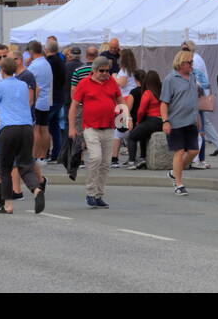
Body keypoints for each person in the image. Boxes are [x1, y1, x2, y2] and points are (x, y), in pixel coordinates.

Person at [0, 53, 46, 215]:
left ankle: (8, 204)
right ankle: (36, 189)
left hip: (9, 128)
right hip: (26, 127)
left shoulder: (0, 86)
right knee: (26, 164)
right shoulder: (22, 85)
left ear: (2, 70)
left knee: (5, 166)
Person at [69, 53, 123, 208]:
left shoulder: (111, 82)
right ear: (94, 70)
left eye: (107, 70)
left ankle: (99, 194)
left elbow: (120, 100)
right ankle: (90, 193)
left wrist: (125, 119)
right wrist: (72, 127)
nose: (105, 74)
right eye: (101, 71)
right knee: (96, 158)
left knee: (106, 163)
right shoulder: (84, 83)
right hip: (90, 127)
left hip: (108, 127)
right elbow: (74, 106)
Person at [161, 51, 201, 196]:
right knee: (179, 151)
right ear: (180, 63)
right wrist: (165, 121)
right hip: (175, 122)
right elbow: (164, 102)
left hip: (190, 120)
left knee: (194, 151)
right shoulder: (170, 79)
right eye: (189, 63)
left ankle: (174, 172)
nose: (191, 65)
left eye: (192, 63)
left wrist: (198, 118)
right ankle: (179, 184)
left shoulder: (192, 77)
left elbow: (194, 100)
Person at [125, 69, 163, 169]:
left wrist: (138, 121)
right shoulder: (162, 91)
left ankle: (131, 162)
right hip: (163, 121)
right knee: (143, 134)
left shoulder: (148, 93)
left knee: (132, 137)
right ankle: (143, 158)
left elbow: (141, 110)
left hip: (152, 120)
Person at [26, 40, 54, 160]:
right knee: (44, 128)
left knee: (36, 129)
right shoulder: (46, 63)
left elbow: (27, 80)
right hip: (46, 100)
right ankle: (44, 155)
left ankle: (35, 155)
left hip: (37, 100)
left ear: (31, 51)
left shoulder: (34, 66)